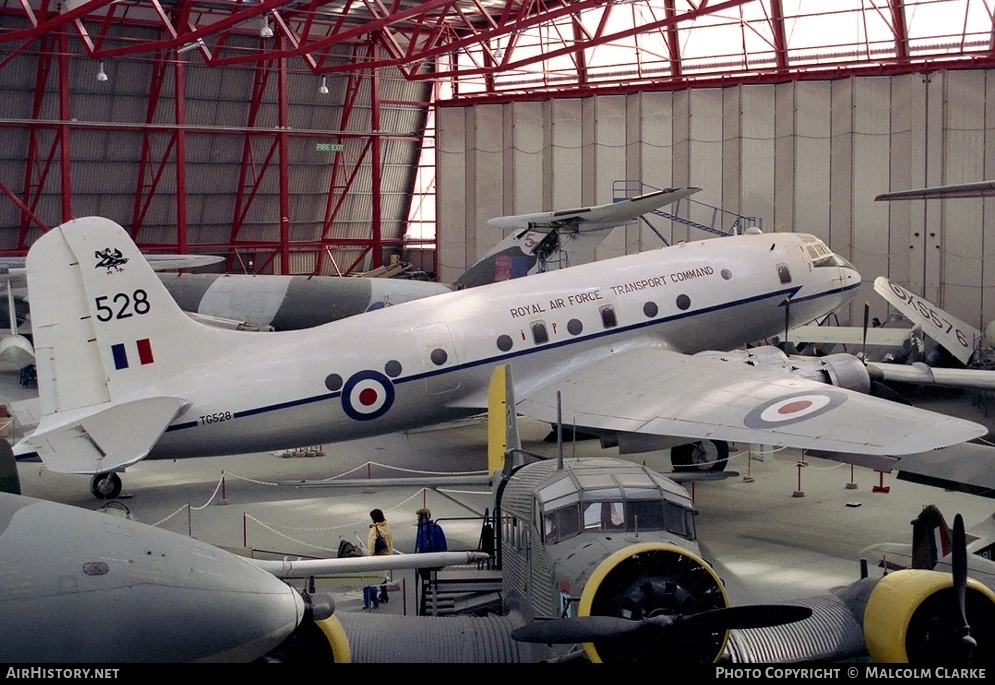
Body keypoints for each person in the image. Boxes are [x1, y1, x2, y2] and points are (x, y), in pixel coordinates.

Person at [363, 508, 393, 609]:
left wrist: (370, 557)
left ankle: (377, 598)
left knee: (376, 577)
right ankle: (384, 594)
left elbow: (371, 544)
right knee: (384, 575)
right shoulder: (386, 526)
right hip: (388, 553)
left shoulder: (374, 530)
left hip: (379, 555)